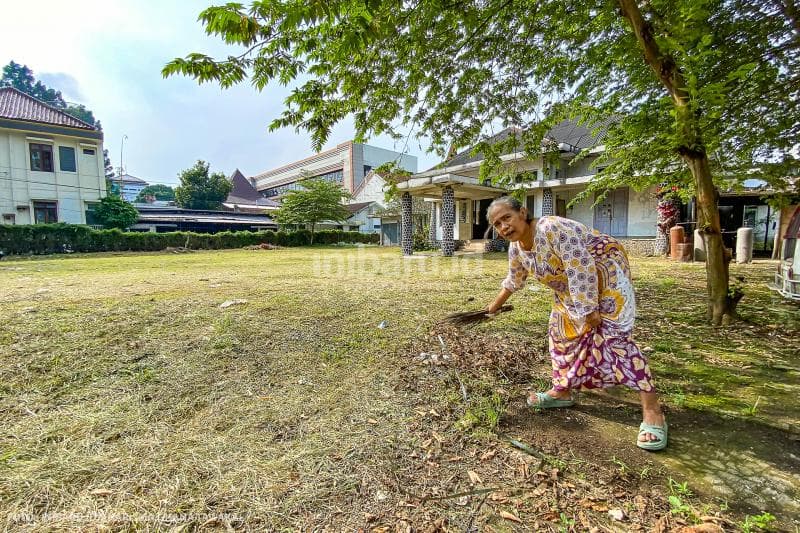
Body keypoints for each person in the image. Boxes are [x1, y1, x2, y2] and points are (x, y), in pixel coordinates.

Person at [485, 196, 667, 451]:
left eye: (507, 218)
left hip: (607, 277)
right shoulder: (516, 248)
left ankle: (652, 411)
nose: (503, 227)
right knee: (560, 335)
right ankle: (562, 391)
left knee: (615, 340)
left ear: (523, 213)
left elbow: (579, 267)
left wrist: (589, 310)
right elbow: (513, 280)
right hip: (572, 291)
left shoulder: (552, 228)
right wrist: (492, 307)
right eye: (497, 224)